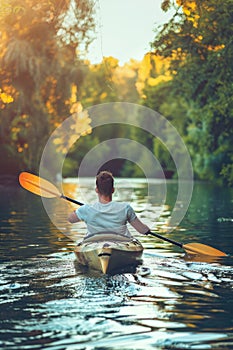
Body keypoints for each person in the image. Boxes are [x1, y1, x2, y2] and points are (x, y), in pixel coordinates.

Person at [68, 170, 150, 237]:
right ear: (113, 190)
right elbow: (142, 230)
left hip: (94, 243)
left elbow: (71, 219)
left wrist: (78, 211)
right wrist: (147, 230)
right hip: (121, 243)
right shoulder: (125, 208)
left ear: (96, 190)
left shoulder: (86, 209)